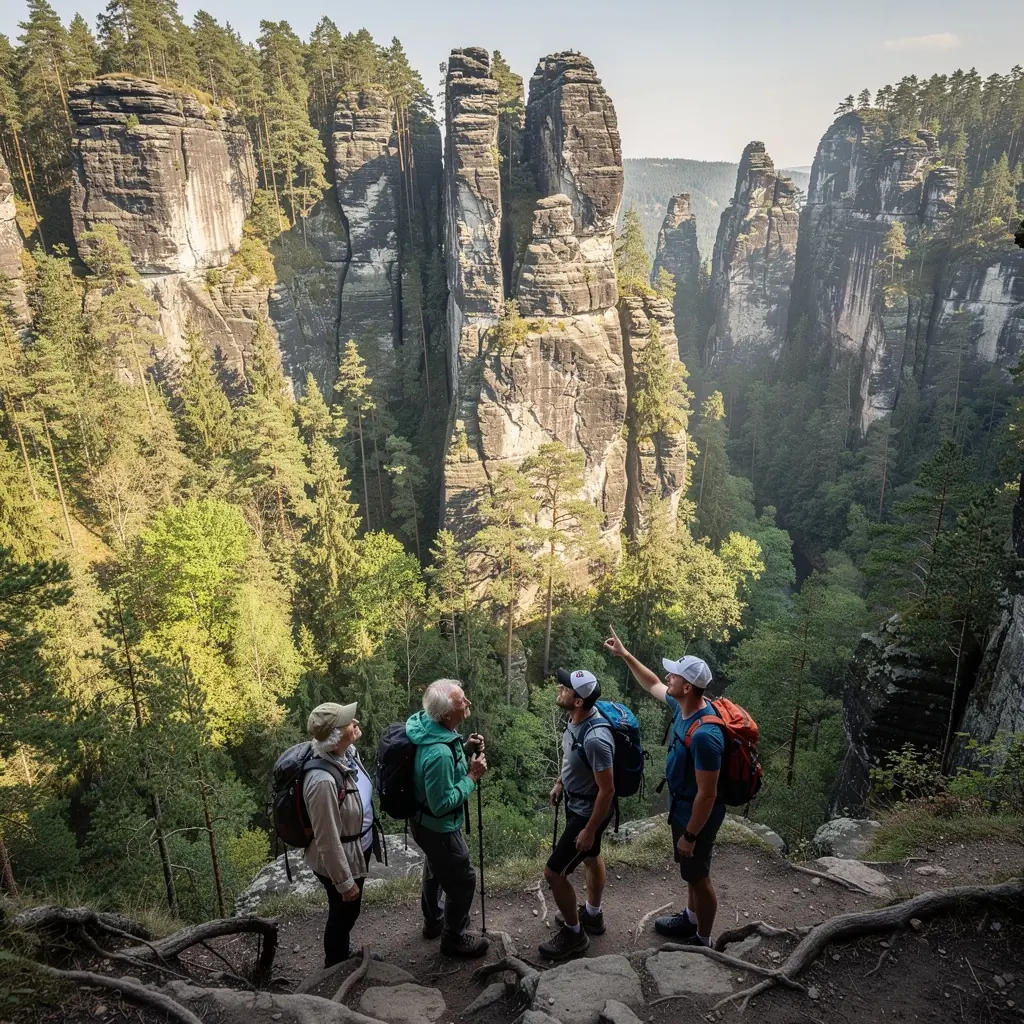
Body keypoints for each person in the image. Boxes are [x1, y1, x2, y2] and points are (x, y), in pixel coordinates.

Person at [603, 627, 725, 947]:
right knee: (691, 872)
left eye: (674, 675)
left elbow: (708, 793)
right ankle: (691, 918)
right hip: (684, 806)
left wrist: (690, 834)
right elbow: (652, 683)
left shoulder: (705, 736)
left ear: (687, 686)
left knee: (700, 877)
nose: (667, 678)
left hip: (697, 813)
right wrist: (626, 654)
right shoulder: (683, 705)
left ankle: (703, 941)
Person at [406, 679, 489, 958]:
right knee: (463, 880)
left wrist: (464, 750)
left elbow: (440, 767)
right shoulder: (439, 752)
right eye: (461, 702)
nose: (467, 704)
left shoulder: (427, 729)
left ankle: (433, 922)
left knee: (435, 869)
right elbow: (441, 804)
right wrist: (472, 776)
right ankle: (453, 938)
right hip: (439, 827)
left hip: (422, 823)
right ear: (445, 715)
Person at [542, 668, 616, 960]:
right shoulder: (575, 721)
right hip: (579, 804)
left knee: (554, 873)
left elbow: (607, 791)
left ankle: (574, 936)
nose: (560, 687)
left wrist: (589, 830)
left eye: (567, 687)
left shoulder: (597, 738)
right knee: (591, 858)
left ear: (578, 701)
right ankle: (592, 916)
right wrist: (561, 782)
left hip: (589, 813)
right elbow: (572, 758)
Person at [304, 701, 380, 967]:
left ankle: (340, 955)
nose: (356, 722)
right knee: (343, 911)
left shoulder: (347, 754)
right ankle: (335, 964)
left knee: (349, 910)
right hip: (340, 860)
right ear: (335, 737)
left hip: (357, 848)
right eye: (349, 722)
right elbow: (326, 839)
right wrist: (344, 881)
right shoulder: (321, 781)